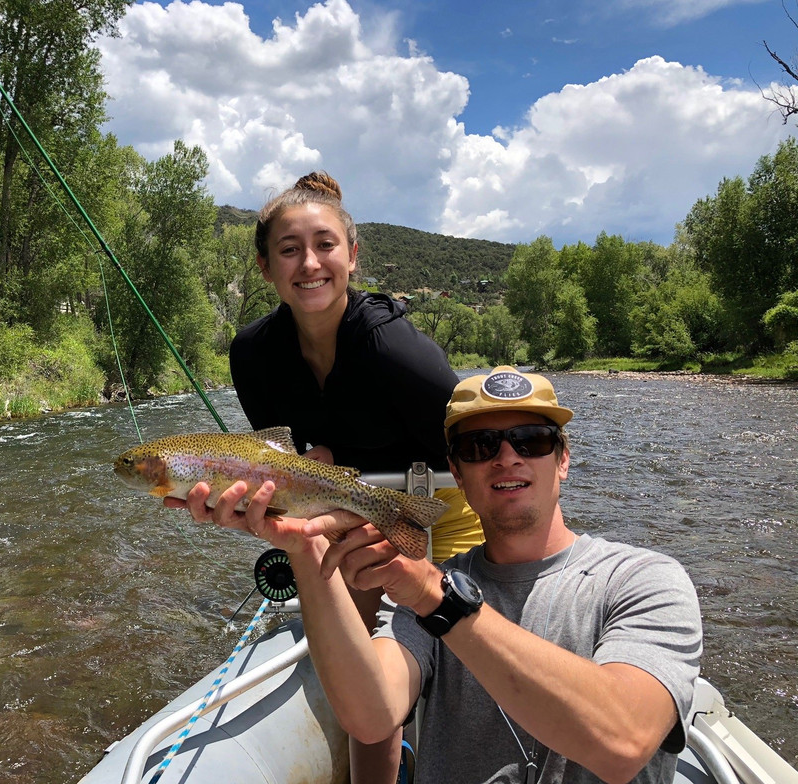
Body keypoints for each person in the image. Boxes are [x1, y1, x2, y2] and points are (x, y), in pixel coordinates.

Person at [192, 366, 703, 784]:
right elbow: (370, 715)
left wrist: (438, 599)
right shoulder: (424, 590)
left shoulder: (645, 581)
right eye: (480, 446)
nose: (507, 457)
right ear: (456, 473)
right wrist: (306, 548)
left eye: (531, 440)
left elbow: (622, 742)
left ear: (563, 459)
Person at [174, 171, 483, 782]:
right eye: (289, 249)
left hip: (446, 503)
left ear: (352, 256)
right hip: (348, 504)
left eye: (325, 245)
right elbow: (286, 457)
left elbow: (475, 449)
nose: (309, 263)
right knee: (359, 667)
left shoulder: (395, 350)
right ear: (265, 267)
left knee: (463, 657)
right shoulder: (253, 354)